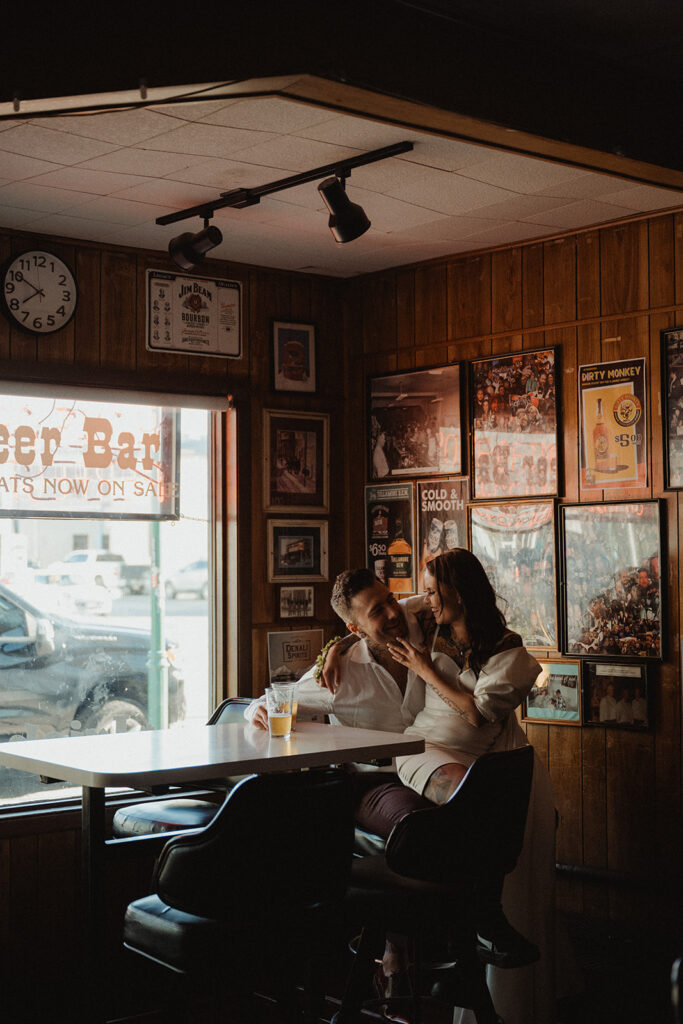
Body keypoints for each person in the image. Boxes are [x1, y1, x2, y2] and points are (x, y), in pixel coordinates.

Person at [244, 568, 541, 1002]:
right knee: (420, 820)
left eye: (389, 600)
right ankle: (427, 942)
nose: (392, 613)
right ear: (354, 628)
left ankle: (460, 949)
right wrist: (258, 708)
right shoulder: (340, 673)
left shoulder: (420, 619)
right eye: (376, 612)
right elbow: (273, 699)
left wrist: (339, 641)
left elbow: (456, 596)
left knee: (477, 802)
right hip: (374, 780)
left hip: (444, 758)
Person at [378, 550, 559, 1024]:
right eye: (429, 592)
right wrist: (336, 649)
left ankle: (473, 951)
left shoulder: (510, 653)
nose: (428, 600)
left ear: (460, 593)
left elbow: (477, 713)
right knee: (467, 802)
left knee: (479, 809)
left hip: (485, 758)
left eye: (436, 592)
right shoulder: (425, 615)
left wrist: (425, 669)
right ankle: (484, 925)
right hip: (423, 749)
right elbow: (368, 620)